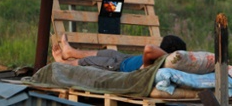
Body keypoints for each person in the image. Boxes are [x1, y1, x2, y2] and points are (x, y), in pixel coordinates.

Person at [52, 34, 186, 72]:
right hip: (126, 58)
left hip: (118, 67)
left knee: (89, 61)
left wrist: (169, 56)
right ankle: (70, 52)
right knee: (105, 52)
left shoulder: (157, 63)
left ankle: (63, 62)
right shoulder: (161, 58)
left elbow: (148, 48)